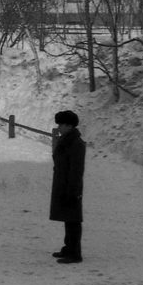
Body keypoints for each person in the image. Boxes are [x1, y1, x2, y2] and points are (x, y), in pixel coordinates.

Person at [50, 110, 86, 264]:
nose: (59, 127)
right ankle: (69, 247)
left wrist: (73, 190)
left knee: (73, 219)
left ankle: (75, 253)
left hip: (70, 185)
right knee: (68, 217)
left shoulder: (75, 143)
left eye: (61, 124)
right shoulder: (66, 140)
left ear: (69, 125)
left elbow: (76, 169)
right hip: (63, 183)